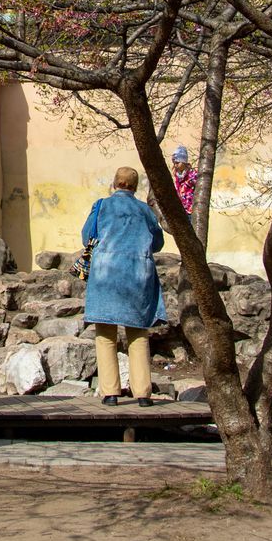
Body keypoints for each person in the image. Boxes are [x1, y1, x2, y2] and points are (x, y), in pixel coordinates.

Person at [81, 167, 166, 407]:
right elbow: (158, 242)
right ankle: (143, 394)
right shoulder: (144, 210)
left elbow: (88, 235)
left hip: (106, 276)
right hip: (138, 276)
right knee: (138, 333)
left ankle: (110, 393)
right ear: (135, 186)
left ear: (115, 183)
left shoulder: (102, 206)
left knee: (105, 334)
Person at [171, 147, 198, 215]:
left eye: (177, 163)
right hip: (180, 210)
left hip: (190, 210)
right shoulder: (177, 177)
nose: (175, 165)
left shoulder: (192, 174)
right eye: (174, 163)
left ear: (183, 162)